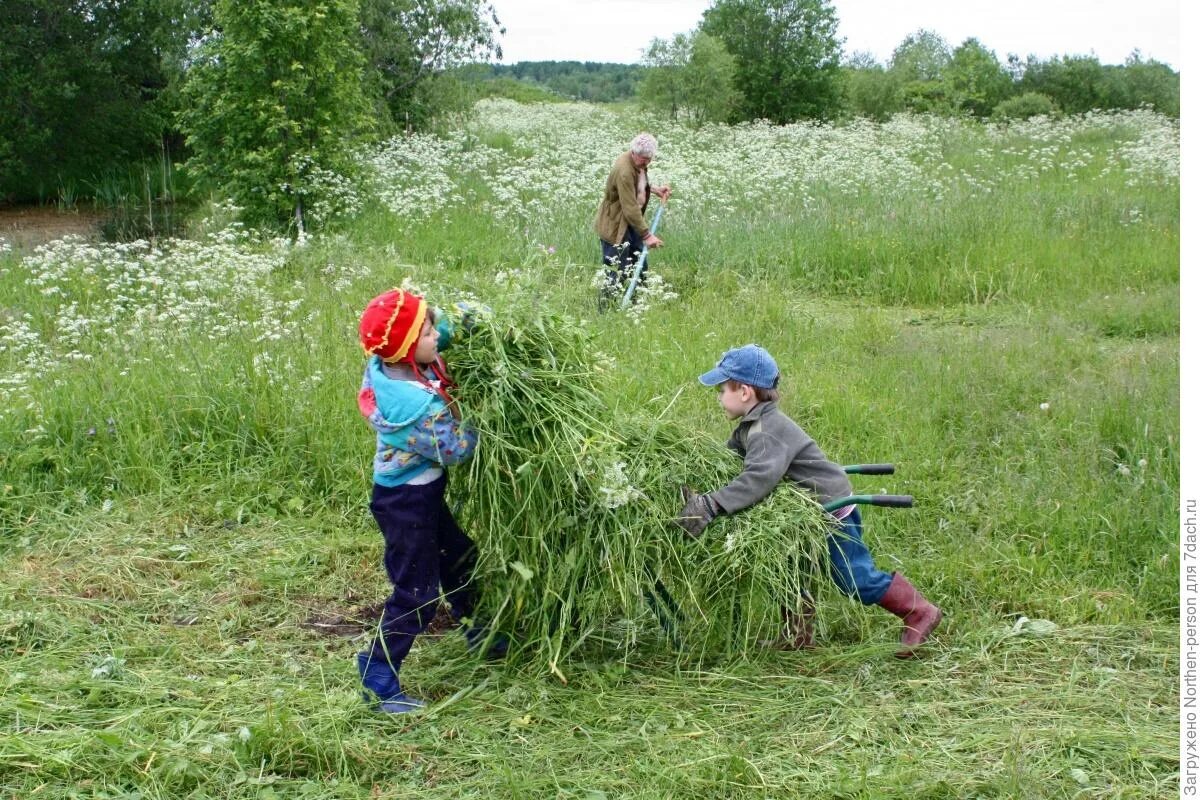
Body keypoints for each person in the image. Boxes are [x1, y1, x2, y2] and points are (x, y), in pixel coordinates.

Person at [676, 344, 943, 657]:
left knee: (852, 577)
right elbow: (729, 459)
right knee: (792, 567)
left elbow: (756, 480)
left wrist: (710, 505)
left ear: (745, 392)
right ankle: (797, 634)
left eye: (722, 390)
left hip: (829, 510)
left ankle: (919, 611)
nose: (719, 397)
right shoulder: (751, 425)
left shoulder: (766, 432)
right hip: (803, 510)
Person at [354, 289, 503, 714]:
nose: (437, 335)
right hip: (404, 503)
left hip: (423, 493)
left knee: (460, 558)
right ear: (406, 347)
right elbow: (457, 449)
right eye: (428, 330)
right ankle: (377, 676)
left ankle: (481, 633)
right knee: (416, 593)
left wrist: (472, 317)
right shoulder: (412, 408)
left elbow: (439, 338)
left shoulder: (400, 360)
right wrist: (485, 415)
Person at [593, 132, 671, 304]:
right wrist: (647, 235)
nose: (647, 162)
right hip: (616, 225)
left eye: (649, 159)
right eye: (644, 158)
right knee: (616, 270)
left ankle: (636, 304)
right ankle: (606, 310)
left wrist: (654, 190)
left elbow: (638, 185)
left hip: (631, 224)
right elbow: (630, 207)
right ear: (634, 152)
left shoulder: (637, 163)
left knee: (639, 265)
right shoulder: (625, 170)